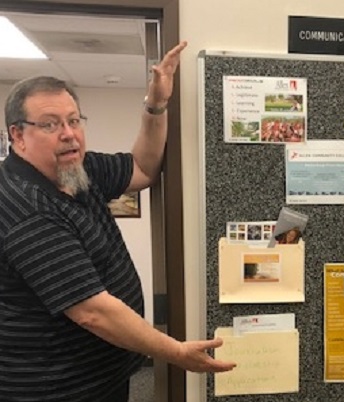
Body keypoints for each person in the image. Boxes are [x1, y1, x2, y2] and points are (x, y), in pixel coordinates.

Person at [0, 41, 236, 402]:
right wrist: (175, 353)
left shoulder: (77, 168)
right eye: (50, 124)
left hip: (100, 374)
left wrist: (155, 104)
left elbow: (143, 167)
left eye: (74, 120)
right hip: (54, 388)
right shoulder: (23, 206)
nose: (68, 134)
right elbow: (92, 311)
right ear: (18, 135)